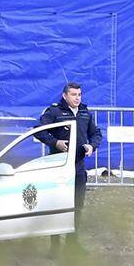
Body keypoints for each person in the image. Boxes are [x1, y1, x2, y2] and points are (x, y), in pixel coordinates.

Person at [36, 82, 103, 252]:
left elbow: (96, 134)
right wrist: (55, 142)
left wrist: (92, 146)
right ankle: (55, 246)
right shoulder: (55, 111)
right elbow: (39, 130)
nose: (77, 98)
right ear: (65, 96)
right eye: (73, 95)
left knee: (77, 205)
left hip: (78, 166)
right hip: (58, 165)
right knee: (57, 205)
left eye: (79, 94)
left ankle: (73, 244)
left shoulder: (84, 112)